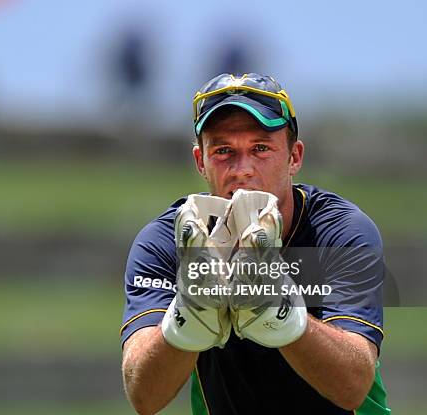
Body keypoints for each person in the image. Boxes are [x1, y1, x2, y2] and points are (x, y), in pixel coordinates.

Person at [120, 73, 391, 415]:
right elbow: (144, 396)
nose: (242, 169)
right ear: (200, 161)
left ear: (294, 157)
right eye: (223, 151)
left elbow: (354, 386)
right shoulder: (169, 242)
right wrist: (187, 320)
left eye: (261, 148)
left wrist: (284, 318)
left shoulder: (339, 232)